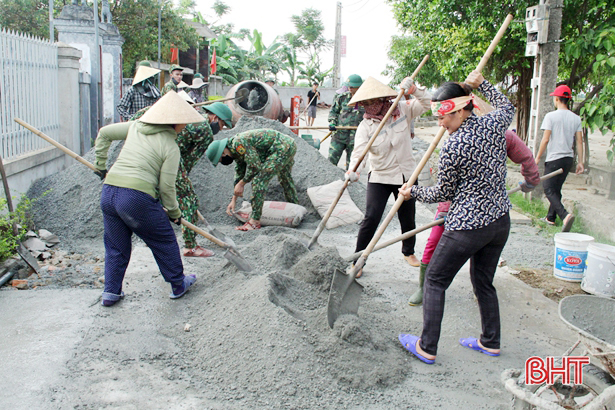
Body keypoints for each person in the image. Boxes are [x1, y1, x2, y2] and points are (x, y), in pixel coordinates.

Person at [397, 71, 515, 364]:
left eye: (444, 116)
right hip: (499, 220)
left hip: (468, 226)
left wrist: (413, 192)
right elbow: (507, 107)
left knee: (435, 280)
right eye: (437, 117)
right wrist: (483, 84)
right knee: (483, 281)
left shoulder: (453, 146)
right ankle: (490, 341)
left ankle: (426, 346)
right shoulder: (493, 123)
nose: (440, 122)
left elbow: (443, 192)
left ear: (463, 107)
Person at [94, 91, 205, 306]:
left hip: (109, 193)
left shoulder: (135, 126)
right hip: (135, 197)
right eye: (184, 122)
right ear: (175, 122)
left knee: (116, 246)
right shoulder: (171, 147)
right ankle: (178, 283)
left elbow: (104, 133)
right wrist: (174, 213)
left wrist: (100, 165)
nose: (185, 126)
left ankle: (111, 292)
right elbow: (166, 188)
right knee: (163, 239)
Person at [407, 129, 541, 306]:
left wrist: (530, 181)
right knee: (433, 243)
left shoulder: (501, 134)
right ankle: (424, 287)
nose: (441, 122)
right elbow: (444, 187)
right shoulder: (454, 137)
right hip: (450, 205)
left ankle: (481, 290)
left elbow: (525, 156)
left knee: (481, 256)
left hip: (483, 211)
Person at [345, 76, 430, 274]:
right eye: (365, 103)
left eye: (372, 102)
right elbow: (359, 153)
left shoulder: (402, 109)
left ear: (383, 99)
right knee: (371, 217)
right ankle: (358, 260)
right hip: (380, 176)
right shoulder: (365, 126)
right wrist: (353, 171)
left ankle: (408, 251)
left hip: (406, 174)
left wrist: (415, 90)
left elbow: (427, 103)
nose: (369, 107)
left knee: (407, 216)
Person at [130, 96, 234, 257]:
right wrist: (182, 184)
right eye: (221, 125)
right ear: (214, 117)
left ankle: (149, 237)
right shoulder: (205, 131)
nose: (220, 129)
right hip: (170, 161)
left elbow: (145, 113)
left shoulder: (188, 114)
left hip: (149, 154)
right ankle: (190, 246)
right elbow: (187, 162)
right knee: (190, 200)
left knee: (154, 198)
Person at [206, 129, 298, 231]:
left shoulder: (238, 143)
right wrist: (234, 199)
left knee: (259, 180)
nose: (222, 161)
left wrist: (242, 183)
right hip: (287, 145)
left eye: (220, 159)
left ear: (223, 153)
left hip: (282, 147)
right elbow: (240, 173)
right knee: (285, 179)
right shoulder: (234, 150)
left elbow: (255, 166)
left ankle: (254, 221)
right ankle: (297, 209)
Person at [535, 84, 584, 232]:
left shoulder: (551, 116)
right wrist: (580, 162)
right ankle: (551, 218)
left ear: (556, 99)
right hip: (568, 159)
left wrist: (537, 158)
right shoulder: (576, 118)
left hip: (554, 158)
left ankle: (564, 216)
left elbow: (545, 140)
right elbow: (580, 141)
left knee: (548, 188)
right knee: (556, 189)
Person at [328, 74, 365, 169]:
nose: (350, 88)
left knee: (352, 168)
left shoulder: (366, 101)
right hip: (339, 136)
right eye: (349, 86)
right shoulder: (341, 98)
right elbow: (333, 112)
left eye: (352, 86)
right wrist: (332, 122)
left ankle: (349, 183)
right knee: (330, 163)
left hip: (356, 139)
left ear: (359, 87)